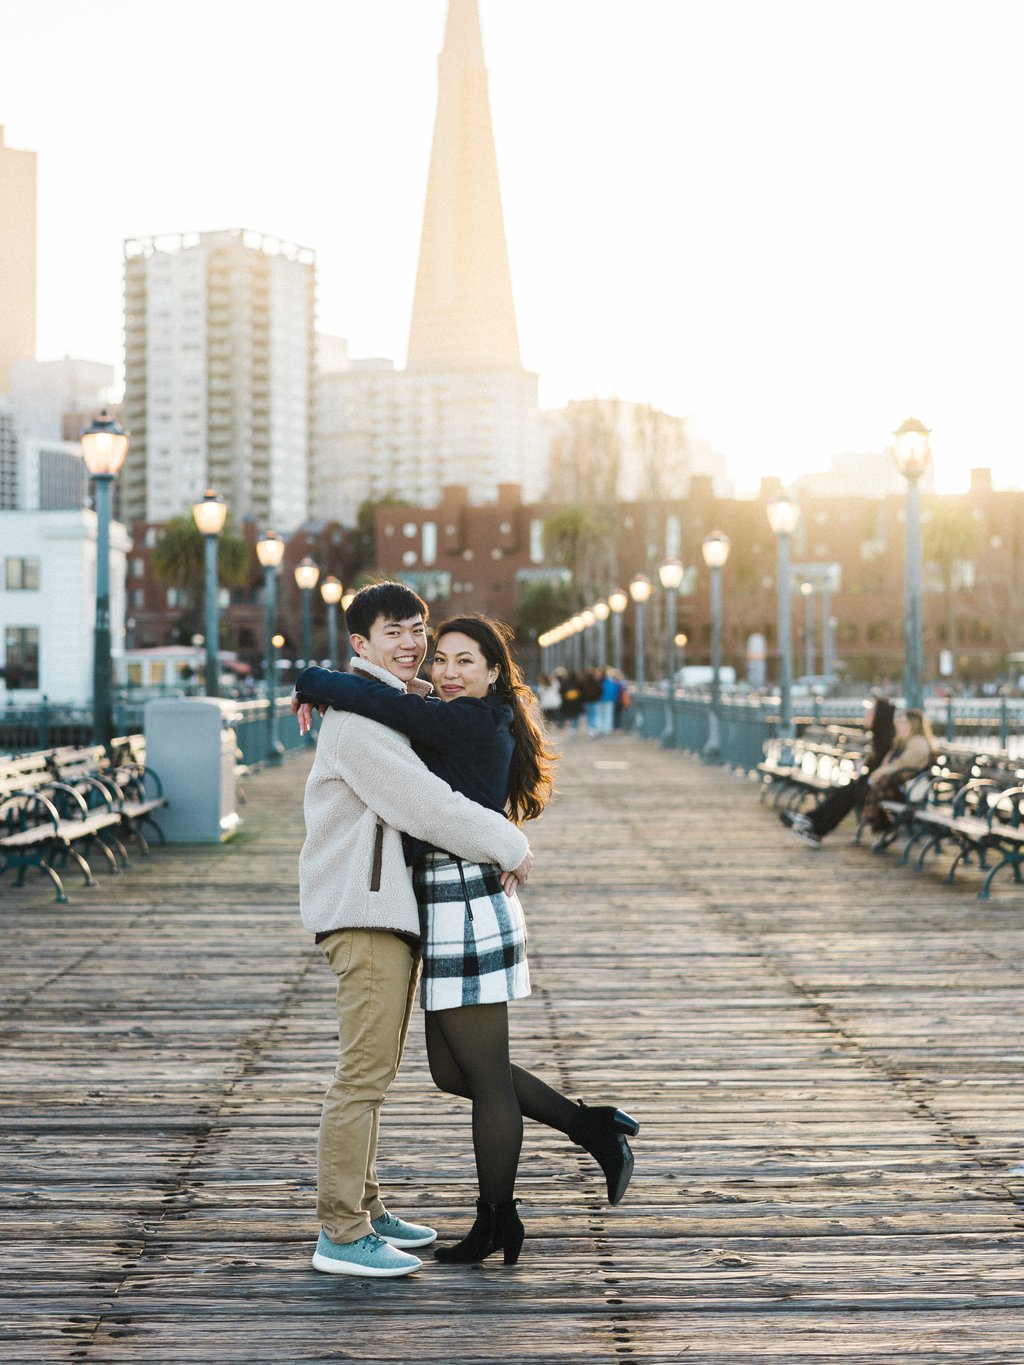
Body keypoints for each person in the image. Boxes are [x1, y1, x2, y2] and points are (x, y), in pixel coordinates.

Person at [294, 614, 639, 1268]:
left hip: (465, 902)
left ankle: (497, 1218)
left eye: (465, 661)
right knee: (455, 1070)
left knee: (483, 1073)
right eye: (441, 659)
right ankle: (594, 1128)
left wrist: (316, 678)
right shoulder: (463, 716)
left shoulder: (473, 719)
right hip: (447, 899)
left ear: (492, 671)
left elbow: (380, 702)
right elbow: (396, 708)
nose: (448, 672)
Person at [296, 583, 535, 1279]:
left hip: (385, 909)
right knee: (362, 1075)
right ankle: (340, 1230)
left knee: (377, 1069)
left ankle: (363, 1205)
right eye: (394, 631)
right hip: (365, 910)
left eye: (416, 629)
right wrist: (509, 843)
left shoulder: (383, 708)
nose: (412, 642)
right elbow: (427, 805)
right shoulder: (360, 722)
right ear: (361, 645)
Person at [782, 697, 897, 848]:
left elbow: (883, 768)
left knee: (850, 791)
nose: (866, 716)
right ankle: (811, 821)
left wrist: (867, 770)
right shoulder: (881, 736)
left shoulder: (886, 739)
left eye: (870, 713)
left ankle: (814, 825)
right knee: (845, 790)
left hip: (885, 788)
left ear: (879, 716)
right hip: (876, 784)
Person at [860, 706, 936, 838]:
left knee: (861, 790)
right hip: (900, 786)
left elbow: (901, 767)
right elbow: (890, 764)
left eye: (903, 722)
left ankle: (886, 828)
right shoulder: (903, 742)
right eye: (899, 721)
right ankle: (886, 828)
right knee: (860, 790)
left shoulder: (918, 743)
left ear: (913, 725)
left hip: (909, 791)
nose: (899, 725)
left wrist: (875, 776)